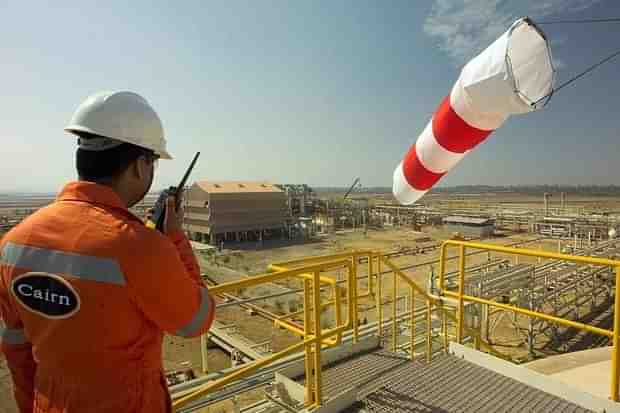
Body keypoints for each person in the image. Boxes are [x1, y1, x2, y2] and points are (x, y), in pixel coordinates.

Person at [0, 91, 215, 413]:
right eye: (153, 161)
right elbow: (195, 320)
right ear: (140, 166)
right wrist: (175, 239)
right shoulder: (140, 246)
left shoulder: (14, 243)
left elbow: (16, 347)